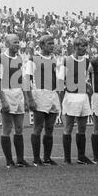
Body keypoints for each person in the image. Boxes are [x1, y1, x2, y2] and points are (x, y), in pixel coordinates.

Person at [0, 34, 31, 168]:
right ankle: (9, 161)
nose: (18, 44)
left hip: (18, 94)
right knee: (7, 128)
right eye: (15, 42)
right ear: (7, 44)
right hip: (7, 94)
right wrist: (3, 100)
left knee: (19, 128)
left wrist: (26, 98)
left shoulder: (20, 58)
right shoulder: (0, 59)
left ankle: (20, 160)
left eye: (18, 42)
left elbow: (23, 80)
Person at [25, 35, 60, 166]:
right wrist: (29, 99)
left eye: (53, 43)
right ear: (42, 45)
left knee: (50, 128)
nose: (52, 45)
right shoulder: (33, 60)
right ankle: (36, 158)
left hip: (52, 94)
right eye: (49, 43)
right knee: (38, 127)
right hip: (39, 94)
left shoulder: (54, 59)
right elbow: (27, 80)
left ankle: (47, 157)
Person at [59, 37, 94, 165]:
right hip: (71, 96)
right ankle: (67, 158)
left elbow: (85, 78)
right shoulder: (67, 61)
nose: (85, 48)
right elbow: (60, 81)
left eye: (86, 46)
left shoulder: (86, 61)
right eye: (82, 46)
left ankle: (81, 156)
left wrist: (88, 87)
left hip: (83, 96)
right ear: (75, 47)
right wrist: (61, 101)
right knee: (68, 127)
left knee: (82, 127)